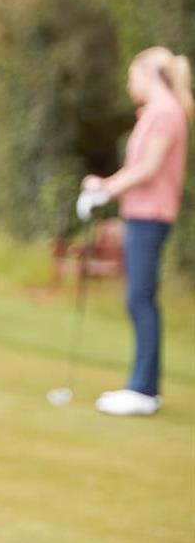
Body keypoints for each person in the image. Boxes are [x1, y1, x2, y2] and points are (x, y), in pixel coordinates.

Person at [78, 46, 192, 417]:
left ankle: (143, 390)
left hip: (151, 215)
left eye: (132, 75)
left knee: (139, 299)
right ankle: (145, 388)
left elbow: (148, 168)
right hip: (142, 213)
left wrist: (105, 189)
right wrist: (105, 187)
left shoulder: (165, 113)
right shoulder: (156, 113)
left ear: (148, 73)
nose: (130, 83)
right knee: (138, 298)